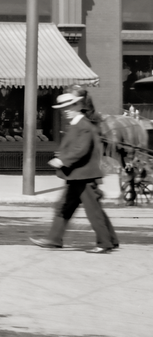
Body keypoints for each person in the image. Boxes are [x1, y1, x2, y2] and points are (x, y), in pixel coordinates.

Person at [31, 89, 119, 254]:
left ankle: (105, 243)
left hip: (84, 176)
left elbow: (81, 149)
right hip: (76, 175)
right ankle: (54, 239)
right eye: (62, 109)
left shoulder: (83, 125)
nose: (65, 111)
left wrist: (62, 160)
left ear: (78, 105)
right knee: (64, 207)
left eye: (69, 107)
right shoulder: (76, 125)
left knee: (93, 211)